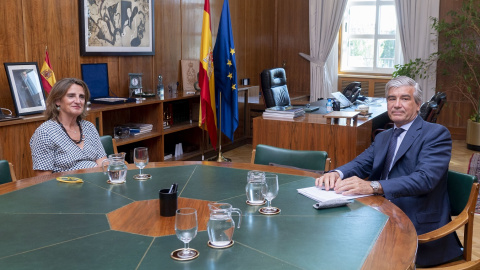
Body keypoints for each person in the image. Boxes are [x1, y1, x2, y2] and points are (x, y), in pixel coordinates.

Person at [315, 76, 462, 267]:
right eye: (392, 99)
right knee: (332, 241)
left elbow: (424, 179)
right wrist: (337, 173)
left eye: (405, 98)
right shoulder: (384, 137)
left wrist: (373, 185)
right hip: (378, 215)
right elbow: (360, 164)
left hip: (416, 225)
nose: (397, 105)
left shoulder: (435, 134)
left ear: (418, 105)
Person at [30, 78, 106, 176]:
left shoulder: (89, 127)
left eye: (82, 97)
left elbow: (103, 163)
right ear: (57, 101)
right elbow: (43, 179)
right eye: (71, 96)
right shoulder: (45, 132)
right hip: (64, 188)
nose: (78, 101)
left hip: (96, 185)